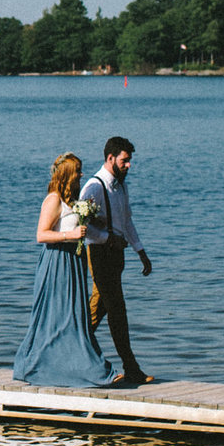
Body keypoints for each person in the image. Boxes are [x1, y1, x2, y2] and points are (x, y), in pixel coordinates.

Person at [12, 152, 120, 389]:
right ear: (68, 175)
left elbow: (77, 223)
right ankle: (53, 365)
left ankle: (81, 364)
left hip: (74, 262)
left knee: (75, 316)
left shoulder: (73, 201)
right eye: (78, 171)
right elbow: (41, 234)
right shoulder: (53, 200)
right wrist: (69, 235)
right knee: (58, 316)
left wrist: (94, 223)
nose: (82, 174)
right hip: (57, 263)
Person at [78, 136, 156, 387]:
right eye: (125, 160)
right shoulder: (94, 187)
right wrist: (106, 238)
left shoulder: (121, 185)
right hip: (99, 254)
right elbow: (82, 226)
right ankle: (130, 366)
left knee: (99, 309)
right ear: (110, 158)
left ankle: (72, 347)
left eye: (130, 161)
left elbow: (127, 220)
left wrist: (140, 251)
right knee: (117, 310)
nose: (129, 165)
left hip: (117, 256)